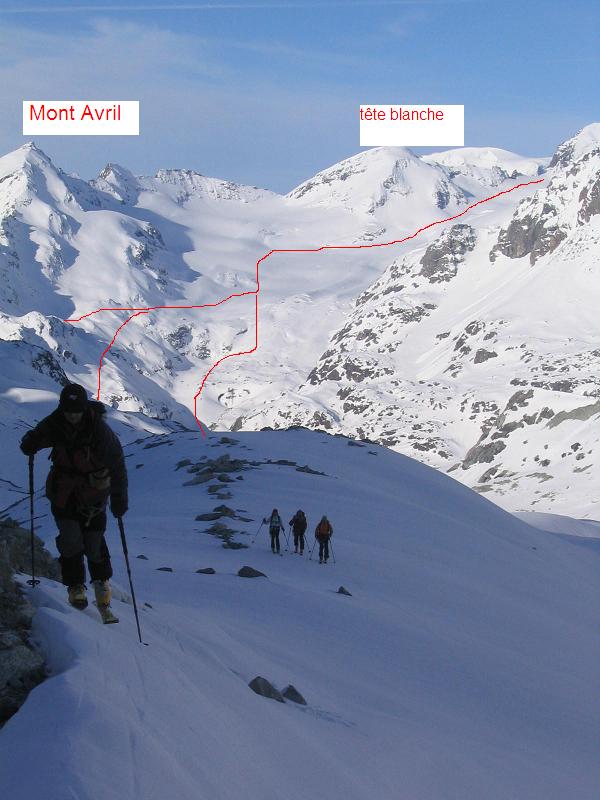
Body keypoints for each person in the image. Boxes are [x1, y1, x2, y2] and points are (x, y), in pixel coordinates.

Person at [20, 383, 128, 615]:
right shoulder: (55, 421)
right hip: (64, 491)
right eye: (68, 411)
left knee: (93, 542)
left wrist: (119, 496)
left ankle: (101, 583)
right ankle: (75, 586)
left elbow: (117, 464)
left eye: (76, 411)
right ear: (62, 408)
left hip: (93, 495)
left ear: (84, 409)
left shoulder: (100, 431)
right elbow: (38, 437)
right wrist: (30, 442)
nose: (72, 416)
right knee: (71, 540)